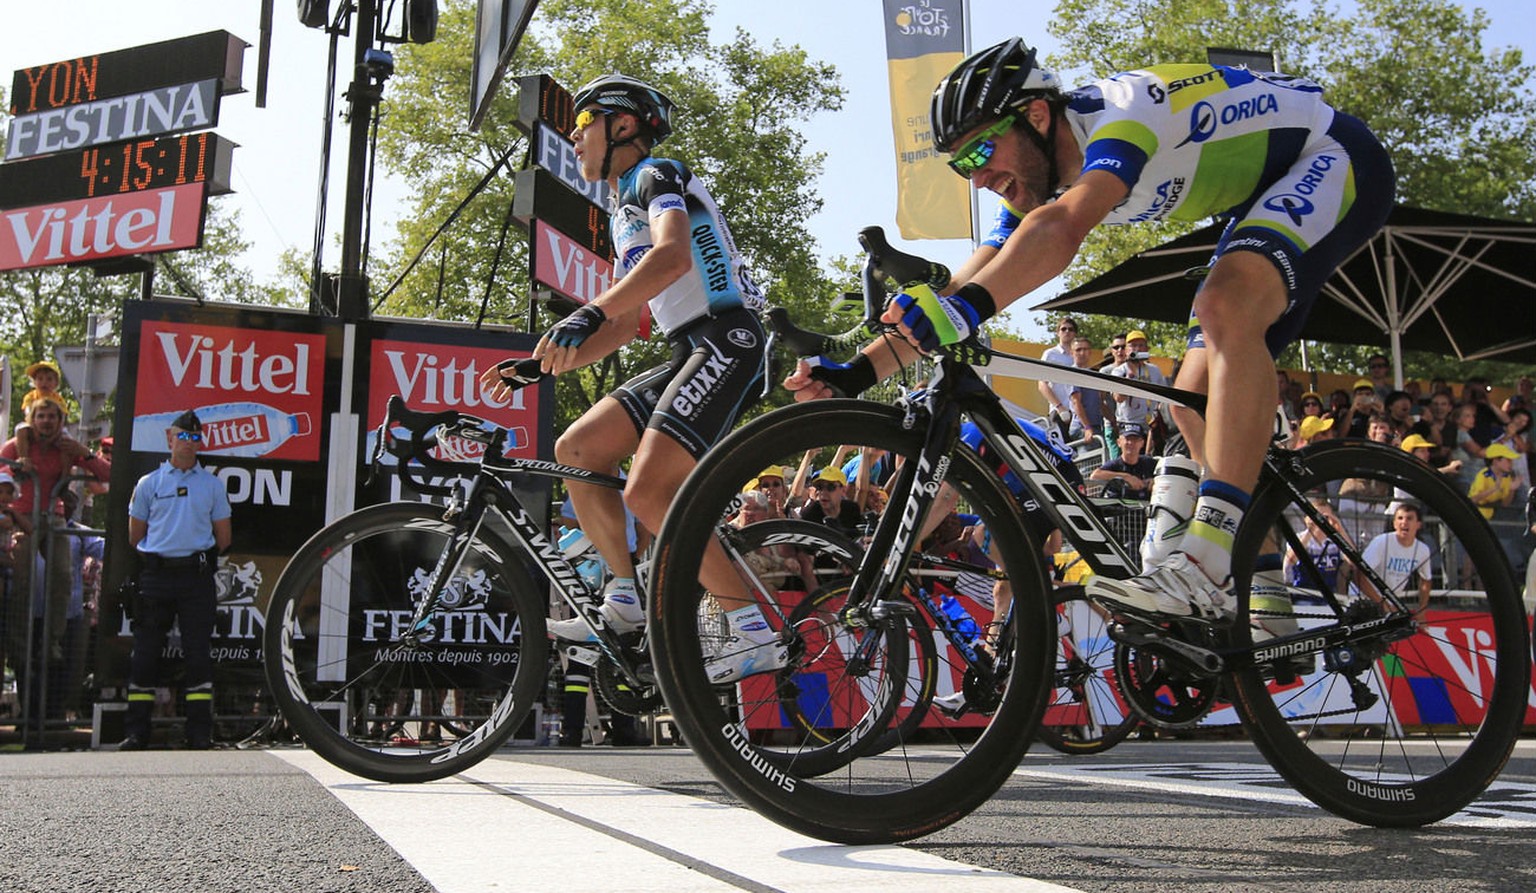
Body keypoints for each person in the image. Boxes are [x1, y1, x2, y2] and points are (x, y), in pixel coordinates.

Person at [788, 37, 1394, 625]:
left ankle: (1208, 560)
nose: (976, 178)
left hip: (1333, 154)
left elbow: (1064, 229)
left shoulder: (1123, 115)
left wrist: (967, 307)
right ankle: (1261, 586)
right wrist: (857, 372)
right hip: (1258, 198)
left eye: (980, 154)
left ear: (1036, 115)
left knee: (1226, 306)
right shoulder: (1034, 179)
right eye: (960, 166)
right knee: (1189, 400)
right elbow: (973, 279)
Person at [481, 74, 774, 683]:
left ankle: (752, 631)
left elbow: (673, 259)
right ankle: (623, 596)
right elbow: (628, 322)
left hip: (730, 339)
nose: (575, 137)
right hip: (686, 347)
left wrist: (589, 309)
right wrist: (542, 366)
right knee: (579, 449)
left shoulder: (655, 174)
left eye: (583, 124)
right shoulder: (621, 211)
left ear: (622, 126)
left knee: (646, 492)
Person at [123, 411, 232, 750]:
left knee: (198, 655)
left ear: (201, 441)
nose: (188, 443)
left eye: (194, 437)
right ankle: (136, 733)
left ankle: (199, 733)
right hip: (156, 576)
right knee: (145, 655)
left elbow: (224, 538)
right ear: (170, 438)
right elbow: (134, 536)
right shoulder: (149, 483)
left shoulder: (213, 485)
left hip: (195, 577)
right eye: (182, 436)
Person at [1, 397, 111, 696]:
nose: (47, 422)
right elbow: (2, 470)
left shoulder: (65, 447)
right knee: (22, 581)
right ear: (32, 420)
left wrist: (84, 453)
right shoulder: (17, 445)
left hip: (54, 515)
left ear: (61, 422)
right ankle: (20, 648)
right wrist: (12, 484)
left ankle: (52, 643)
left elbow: (108, 474)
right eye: (42, 416)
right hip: (23, 515)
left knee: (63, 576)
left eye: (53, 417)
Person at [1356, 502, 1433, 615]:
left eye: (1409, 518)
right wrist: (1381, 603)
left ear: (1418, 525)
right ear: (1394, 523)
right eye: (1400, 518)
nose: (1404, 522)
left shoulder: (1423, 549)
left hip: (1390, 603)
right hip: (1363, 599)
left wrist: (1422, 610)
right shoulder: (1381, 542)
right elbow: (1359, 574)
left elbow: (1426, 580)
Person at [12, 360, 67, 474]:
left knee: (68, 442)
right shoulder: (31, 396)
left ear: (56, 383)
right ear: (34, 382)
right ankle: (24, 459)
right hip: (33, 427)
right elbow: (28, 412)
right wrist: (34, 427)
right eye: (40, 379)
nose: (44, 382)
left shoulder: (58, 399)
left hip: (55, 429)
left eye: (49, 379)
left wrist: (57, 432)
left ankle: (65, 472)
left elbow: (62, 416)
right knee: (20, 429)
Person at [1107, 329, 1167, 432]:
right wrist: (1129, 377)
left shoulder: (1154, 370)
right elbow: (1118, 398)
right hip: (1129, 425)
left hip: (1152, 424)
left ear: (1147, 349)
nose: (1137, 349)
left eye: (1141, 345)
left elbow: (1163, 397)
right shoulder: (1119, 371)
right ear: (1126, 350)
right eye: (1133, 345)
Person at [1037, 316, 1079, 439]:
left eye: (1070, 329)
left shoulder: (1078, 355)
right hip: (1060, 411)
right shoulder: (1050, 354)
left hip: (1078, 412)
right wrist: (1060, 407)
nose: (1067, 332)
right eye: (1063, 329)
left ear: (1074, 333)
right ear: (1058, 333)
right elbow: (1041, 384)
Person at [1090, 422, 1155, 499]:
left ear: (1142, 443)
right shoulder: (1115, 464)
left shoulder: (1149, 462)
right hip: (1119, 508)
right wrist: (1126, 477)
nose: (1131, 443)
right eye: (1127, 439)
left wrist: (1155, 481)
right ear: (1119, 442)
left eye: (1135, 440)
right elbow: (1094, 476)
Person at [798, 467, 864, 537]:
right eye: (820, 487)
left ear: (843, 490)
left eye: (830, 487)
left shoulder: (852, 509)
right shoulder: (809, 514)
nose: (823, 492)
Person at [1066, 336, 1106, 449]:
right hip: (1082, 427)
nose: (1082, 353)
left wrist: (1112, 421)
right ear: (1071, 353)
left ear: (1090, 352)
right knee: (1089, 464)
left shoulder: (1092, 374)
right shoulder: (1073, 373)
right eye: (1078, 350)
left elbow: (1100, 402)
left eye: (1085, 349)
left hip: (1097, 426)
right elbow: (1076, 402)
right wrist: (1087, 427)